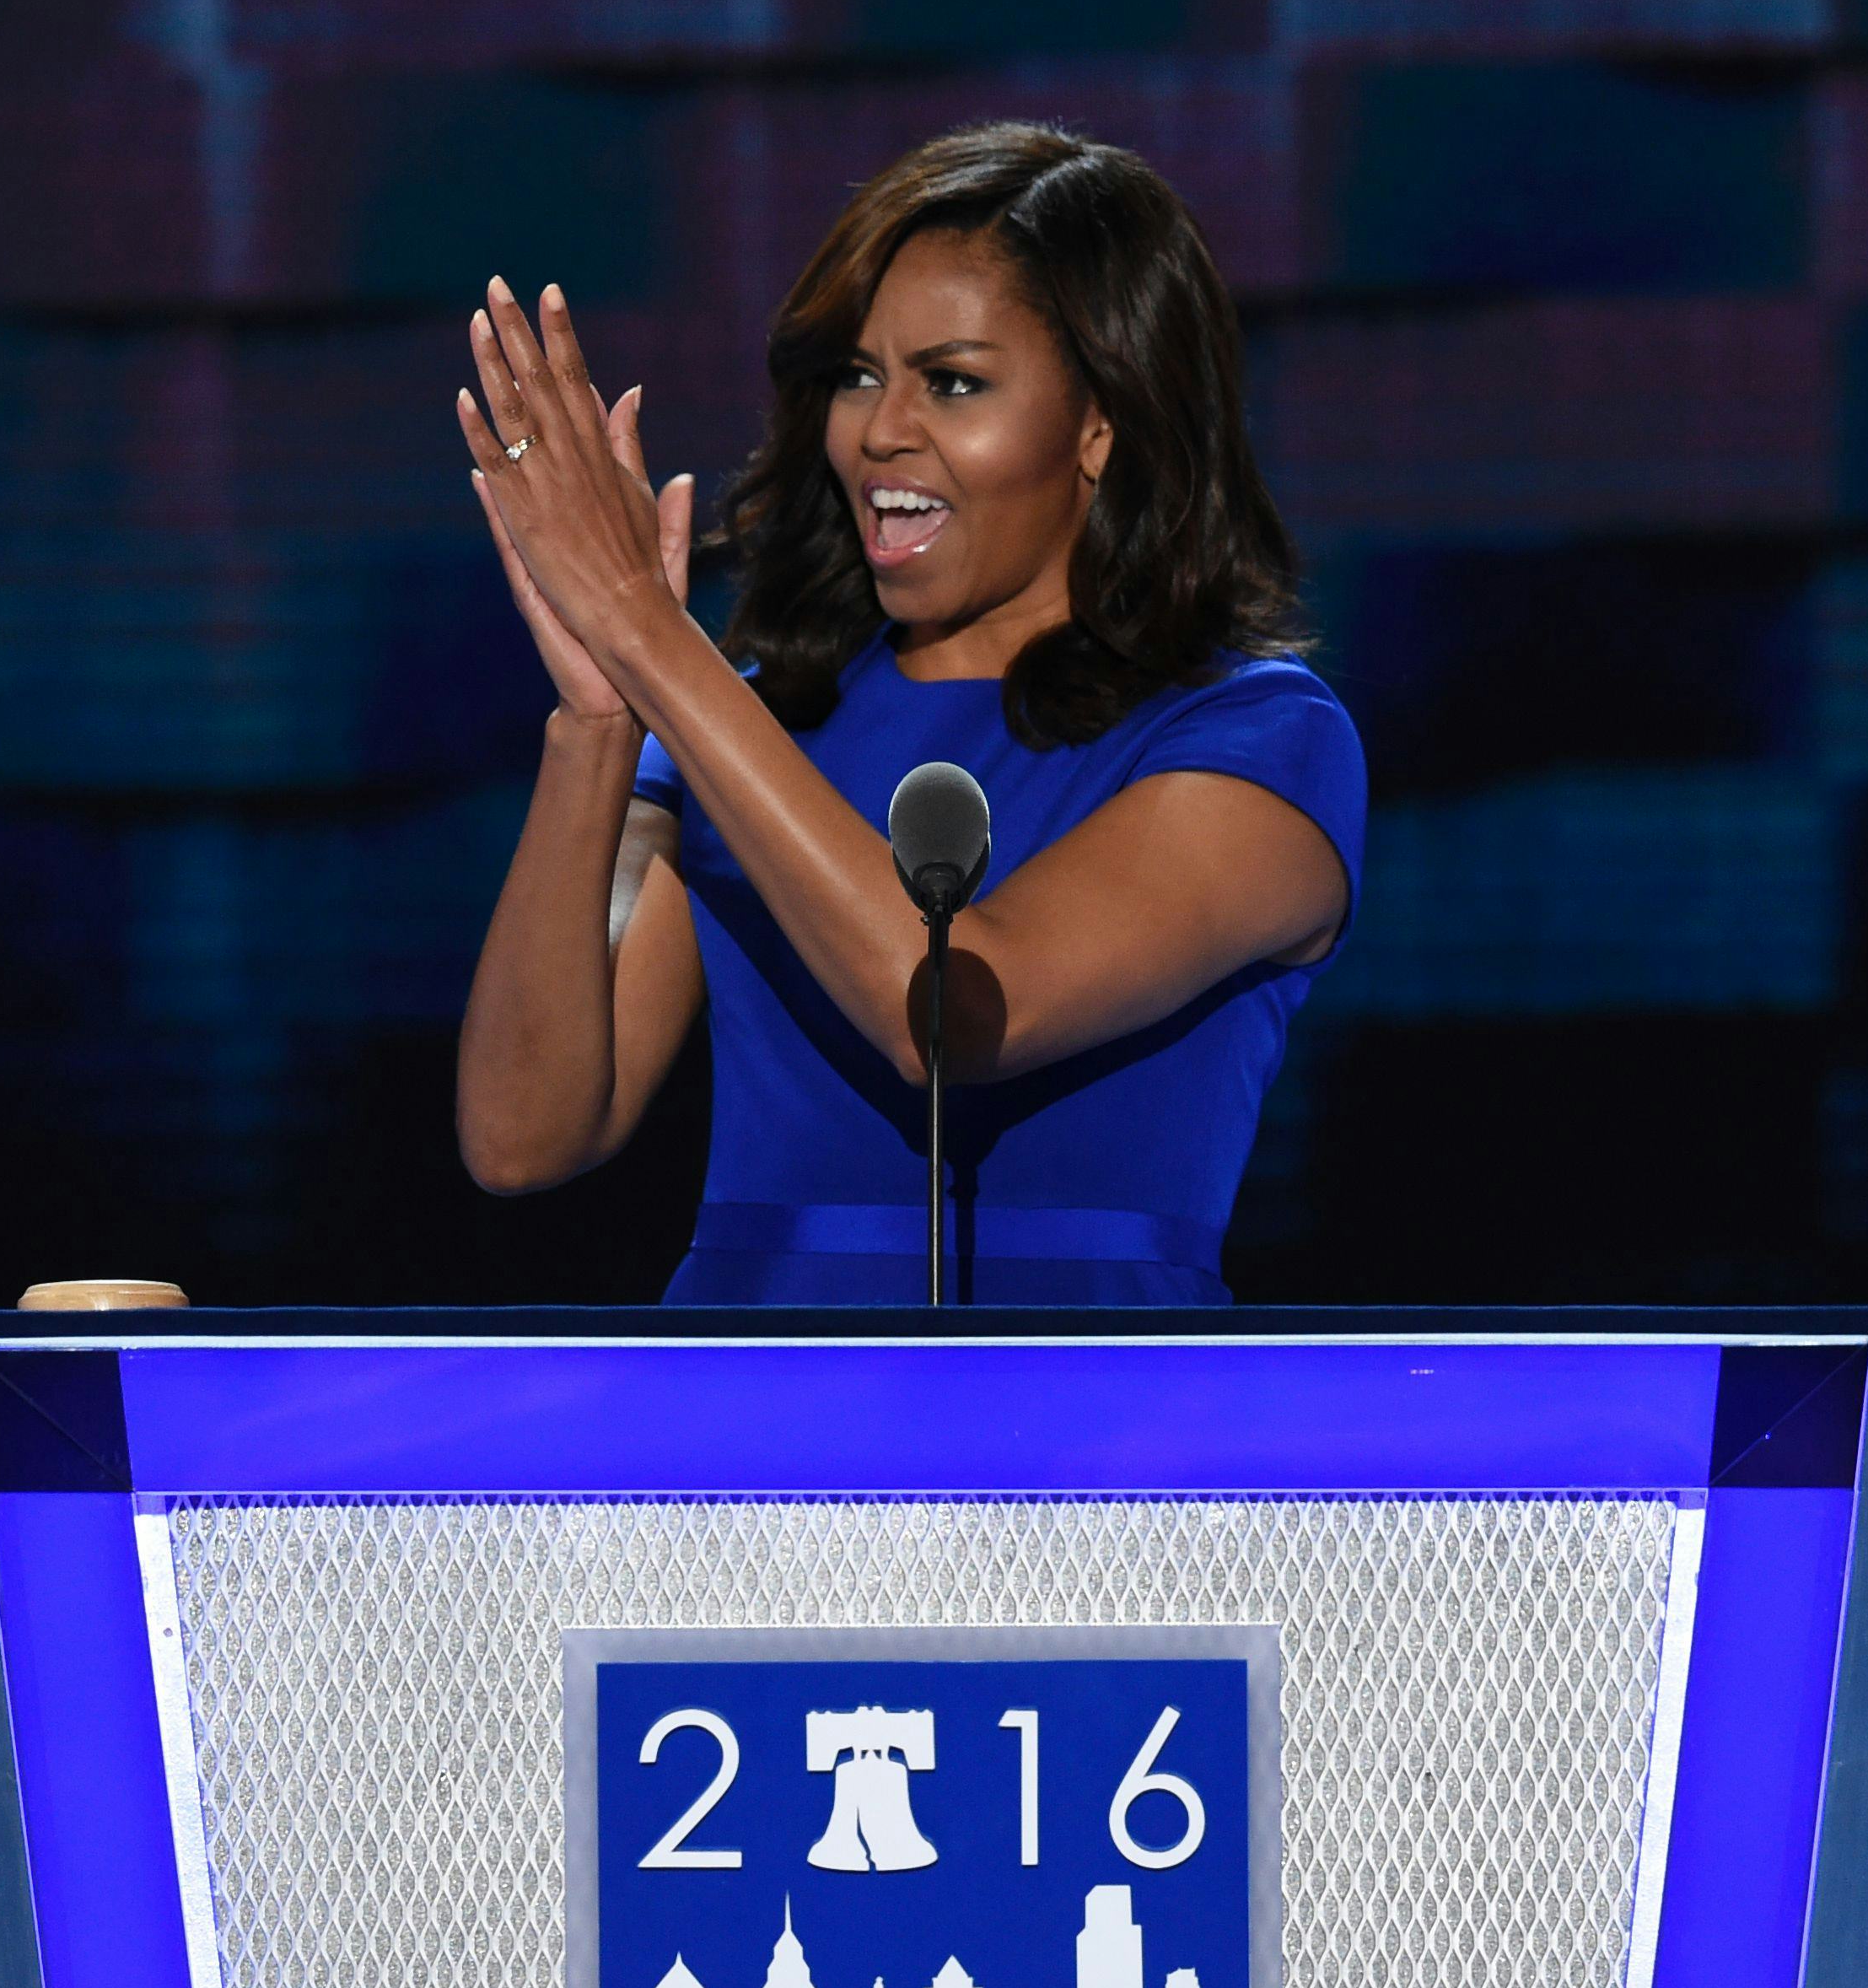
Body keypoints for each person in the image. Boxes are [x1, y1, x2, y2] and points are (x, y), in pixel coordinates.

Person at [453, 123, 1362, 1304]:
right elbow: (524, 1138)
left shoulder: (1260, 743)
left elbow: (958, 1017)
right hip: (755, 1442)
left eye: (954, 382)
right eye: (859, 374)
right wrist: (596, 724)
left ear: (1103, 424)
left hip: (1094, 1447)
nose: (880, 430)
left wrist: (647, 630)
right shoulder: (741, 726)